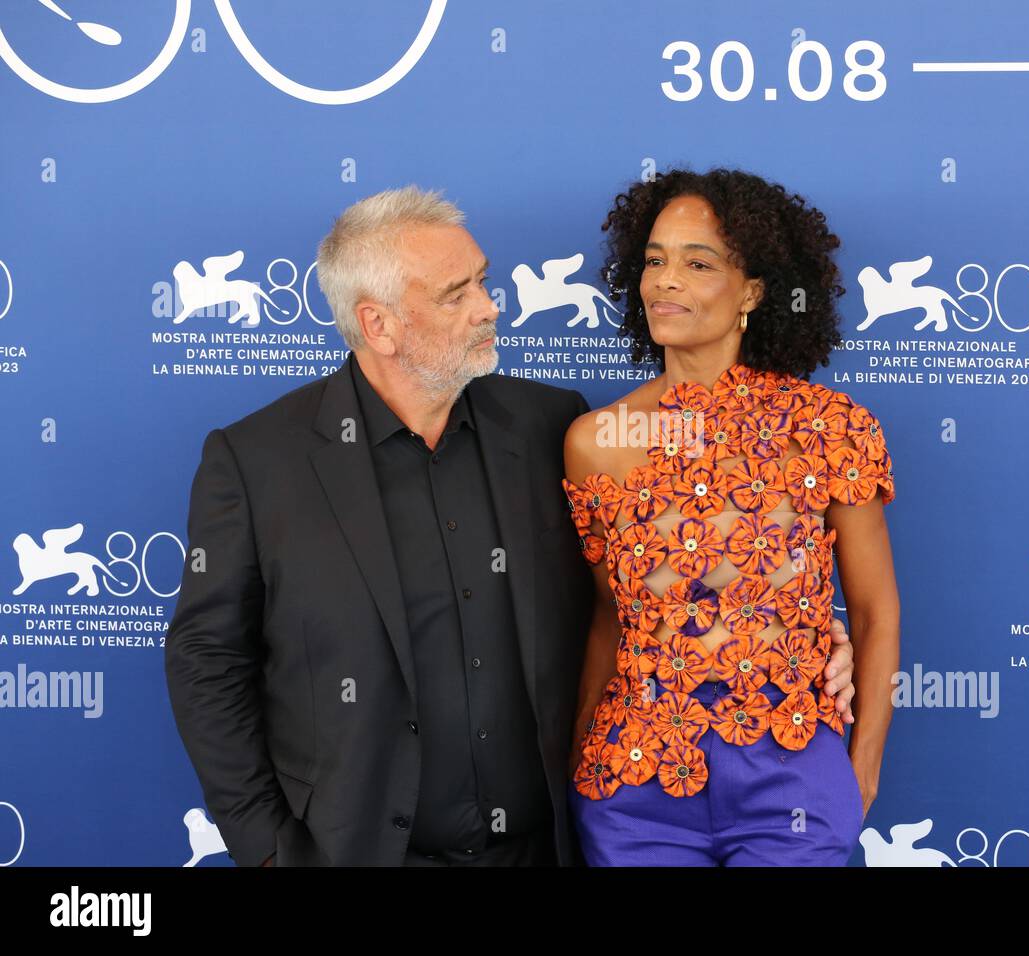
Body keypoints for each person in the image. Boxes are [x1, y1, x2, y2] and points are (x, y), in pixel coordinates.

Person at [163, 184, 860, 866]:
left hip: (543, 845)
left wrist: (793, 629)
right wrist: (264, 849)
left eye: (483, 282)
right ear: (379, 324)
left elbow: (636, 592)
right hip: (358, 850)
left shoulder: (550, 427)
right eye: (456, 294)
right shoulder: (259, 463)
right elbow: (207, 662)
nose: (488, 308)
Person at [562, 168, 901, 866]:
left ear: (752, 291)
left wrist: (859, 770)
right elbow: (608, 617)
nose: (665, 281)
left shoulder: (829, 428)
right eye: (654, 261)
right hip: (632, 784)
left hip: (793, 780)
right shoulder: (596, 441)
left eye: (697, 263)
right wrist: (575, 760)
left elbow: (874, 613)